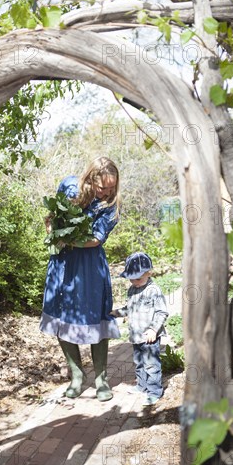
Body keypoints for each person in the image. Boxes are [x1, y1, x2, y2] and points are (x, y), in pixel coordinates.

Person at [40, 157, 121, 402]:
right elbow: (53, 217)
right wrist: (53, 230)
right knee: (61, 315)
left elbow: (96, 239)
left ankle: (101, 379)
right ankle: (77, 376)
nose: (107, 192)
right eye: (102, 187)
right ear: (90, 178)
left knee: (96, 317)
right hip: (64, 262)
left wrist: (69, 240)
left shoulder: (111, 207)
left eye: (111, 187)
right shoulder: (69, 187)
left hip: (89, 265)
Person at [111, 252, 168, 405]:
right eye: (131, 278)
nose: (134, 282)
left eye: (138, 278)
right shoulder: (132, 290)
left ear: (149, 273)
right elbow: (129, 308)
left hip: (150, 336)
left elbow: (162, 312)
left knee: (151, 364)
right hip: (136, 335)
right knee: (139, 362)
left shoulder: (153, 290)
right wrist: (116, 313)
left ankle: (154, 391)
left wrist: (153, 330)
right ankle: (142, 386)